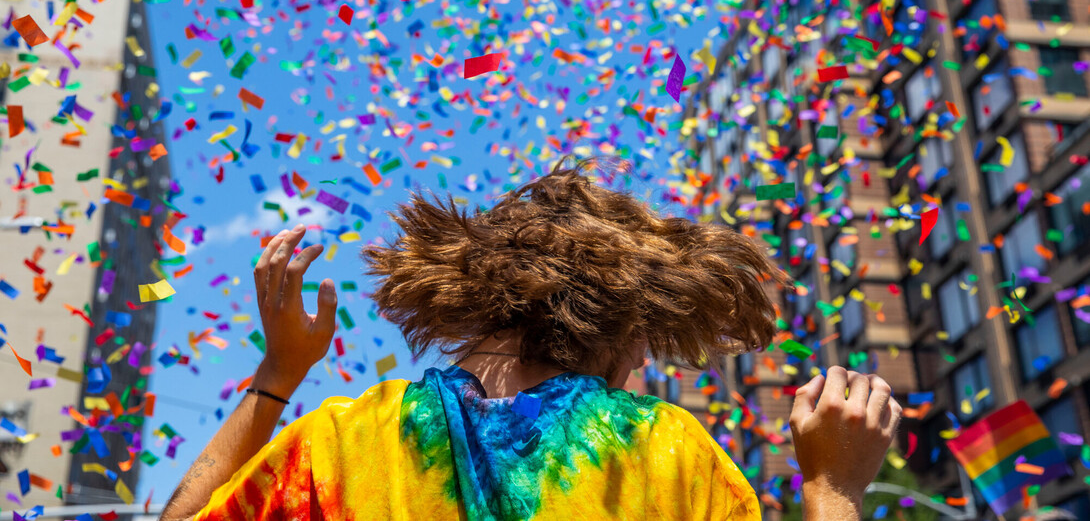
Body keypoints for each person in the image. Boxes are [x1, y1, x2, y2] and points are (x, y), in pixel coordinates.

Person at [161, 158, 902, 520]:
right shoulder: (660, 453)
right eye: (644, 332)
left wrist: (279, 372)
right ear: (616, 318)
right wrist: (832, 486)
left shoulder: (343, 443)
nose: (645, 358)